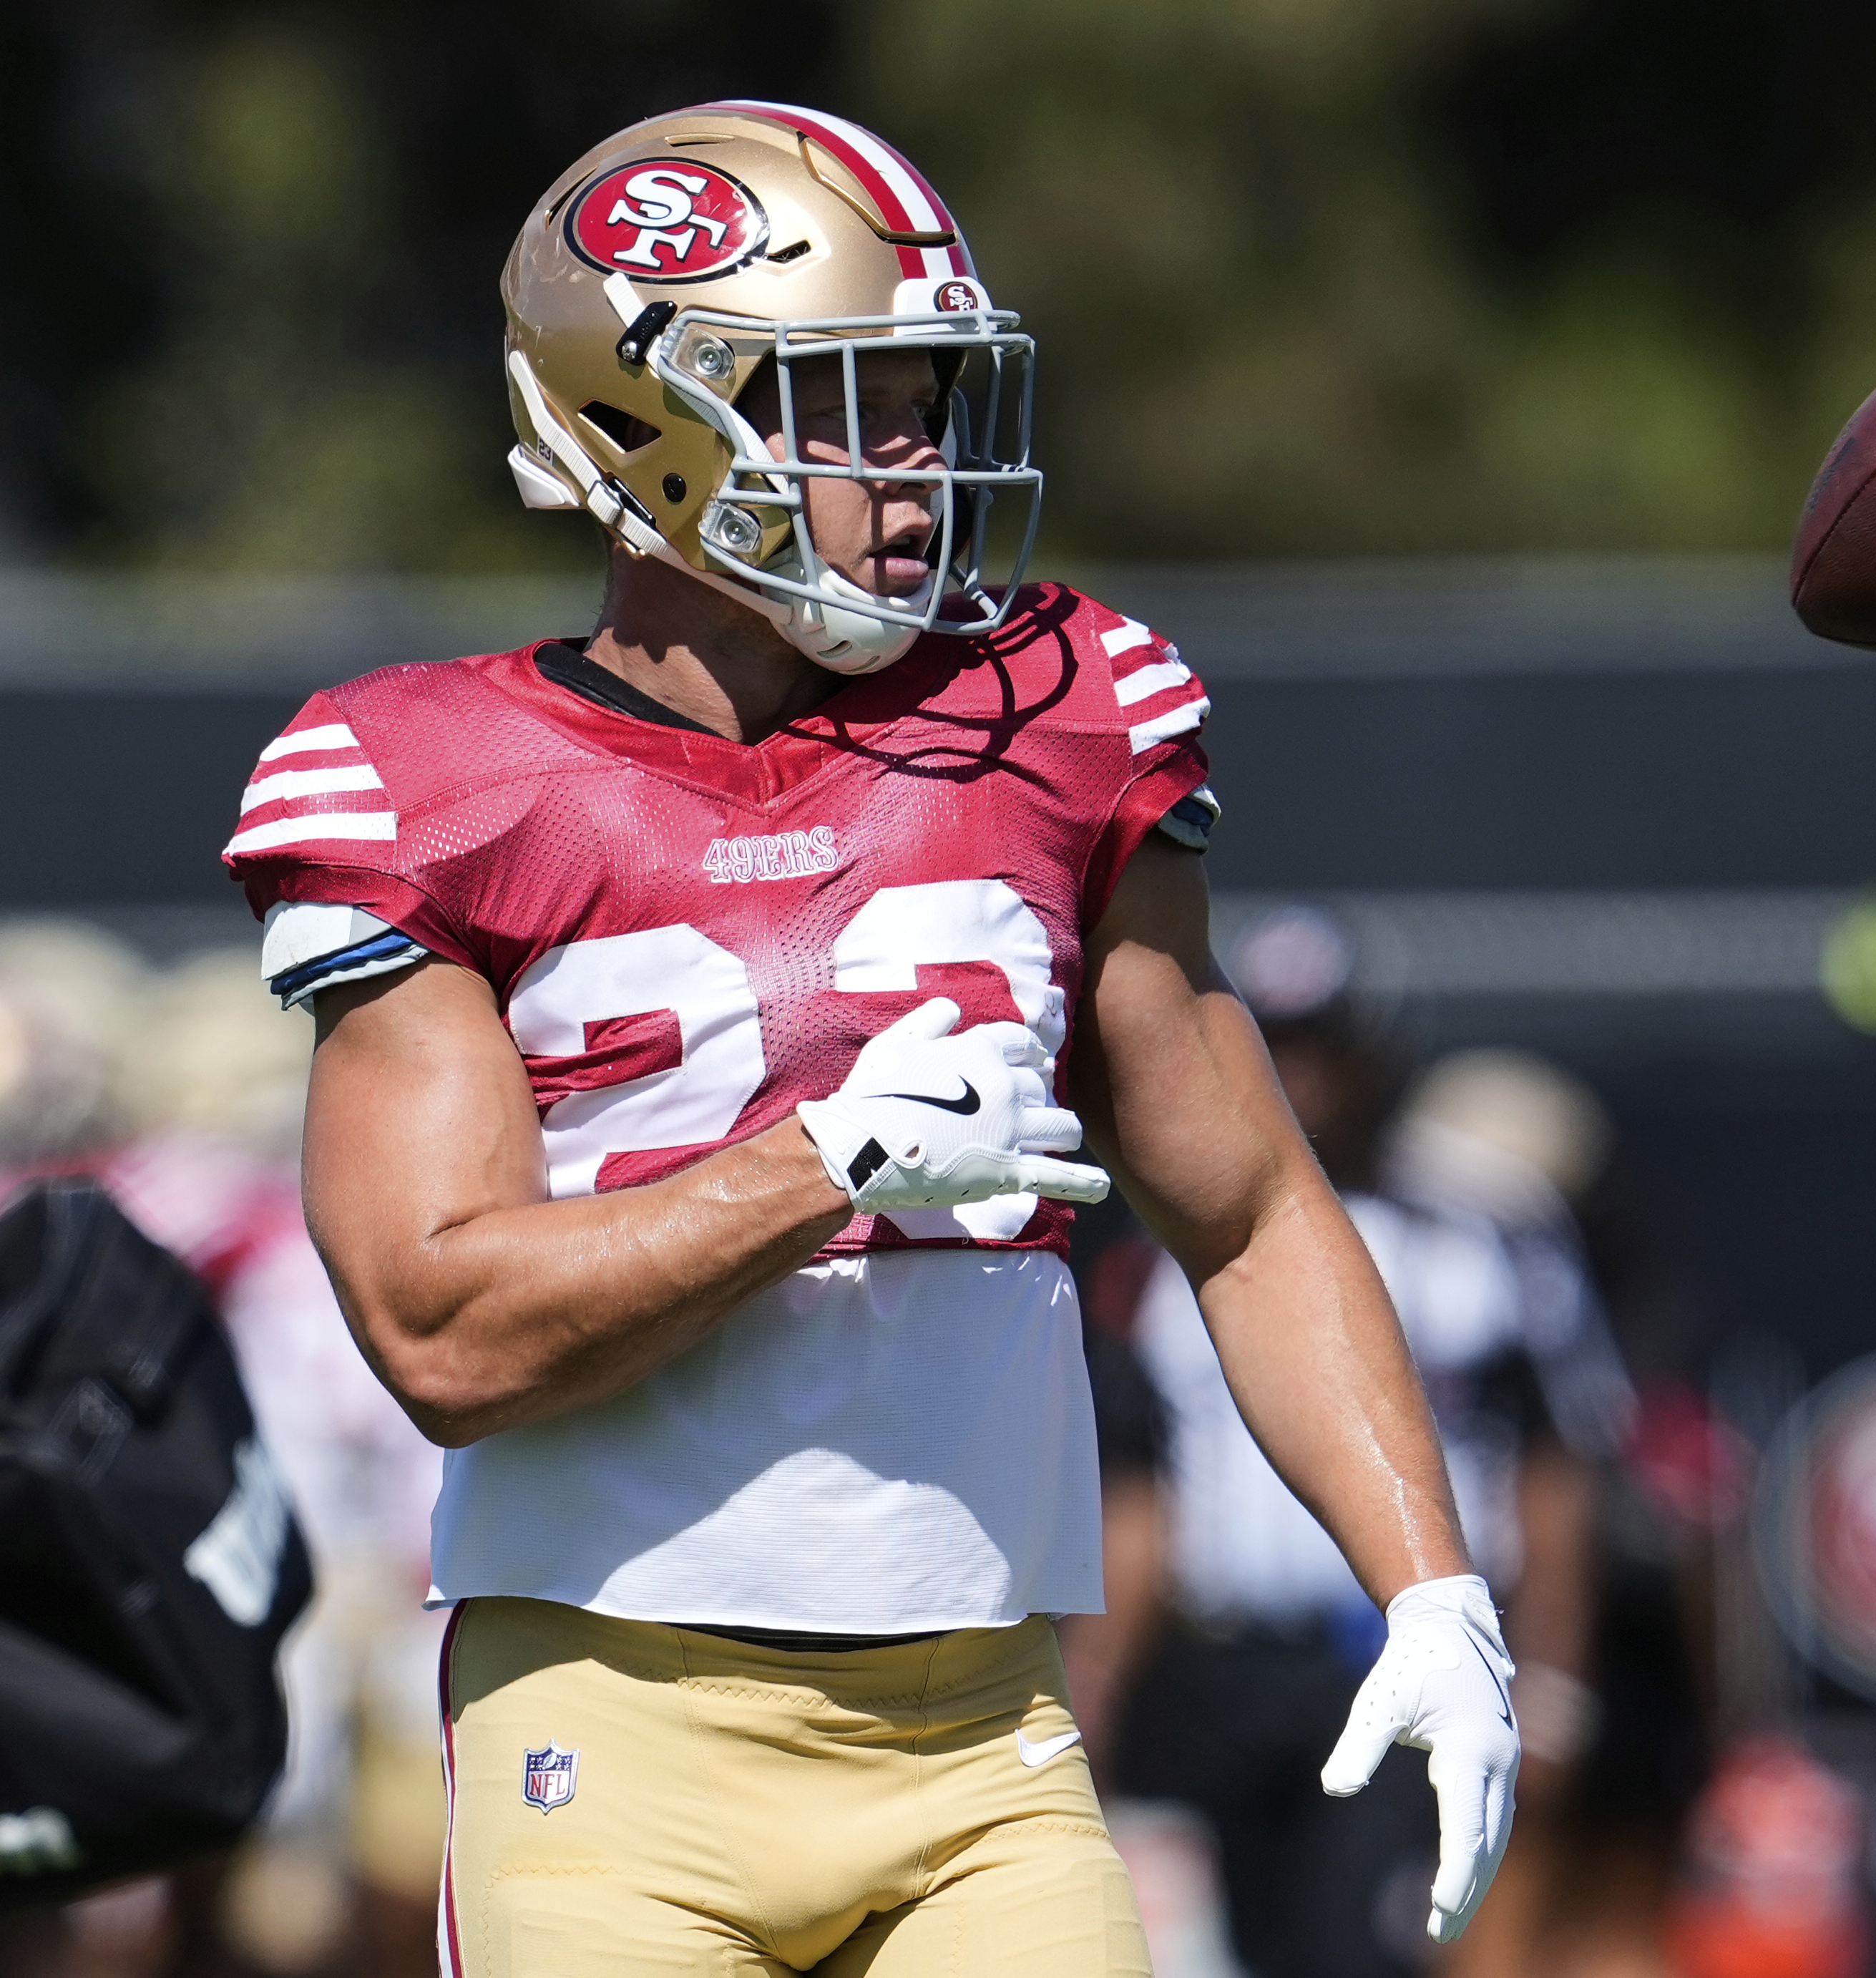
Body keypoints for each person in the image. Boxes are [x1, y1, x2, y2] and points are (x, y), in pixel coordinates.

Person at [223, 102, 1517, 1978]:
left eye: (933, 397)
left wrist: (1435, 1590)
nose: (919, 471)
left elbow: (1243, 1212)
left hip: (986, 1741)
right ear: (652, 419)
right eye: (851, 406)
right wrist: (813, 1161)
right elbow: (444, 1331)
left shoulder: (1057, 710)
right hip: (615, 1741)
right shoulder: (433, 781)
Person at [1113, 912, 1630, 1977]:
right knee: (1230, 1949)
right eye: (1276, 1043)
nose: (1299, 1075)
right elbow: (1142, 1492)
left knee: (1366, 1948)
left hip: (1397, 1652)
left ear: (1378, 1052)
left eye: (1322, 1046)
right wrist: (1099, 1684)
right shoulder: (1161, 1238)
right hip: (1224, 1665)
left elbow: (1556, 1468)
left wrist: (1556, 1684)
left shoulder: (1484, 1230)